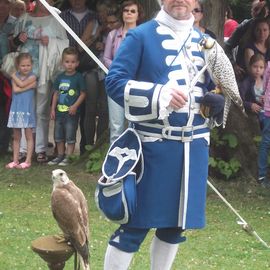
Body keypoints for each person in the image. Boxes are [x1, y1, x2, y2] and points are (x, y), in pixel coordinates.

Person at [103, 0, 224, 269]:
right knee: (134, 227)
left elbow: (215, 89)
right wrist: (159, 94)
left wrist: (215, 101)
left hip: (193, 149)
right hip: (151, 149)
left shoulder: (206, 43)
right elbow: (113, 82)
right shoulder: (140, 36)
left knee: (175, 227)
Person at [12, 0, 69, 162]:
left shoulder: (56, 20)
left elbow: (65, 44)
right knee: (25, 108)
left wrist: (50, 42)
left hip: (44, 70)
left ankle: (41, 148)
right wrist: (19, 39)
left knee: (41, 110)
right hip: (24, 71)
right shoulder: (23, 18)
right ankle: (23, 149)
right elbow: (13, 43)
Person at [103, 0, 144, 144]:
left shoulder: (143, 35)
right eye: (126, 10)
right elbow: (106, 58)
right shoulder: (113, 35)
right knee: (116, 126)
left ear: (138, 15)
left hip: (137, 85)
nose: (129, 13)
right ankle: (114, 164)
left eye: (133, 11)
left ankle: (135, 161)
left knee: (136, 125)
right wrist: (119, 68)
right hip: (116, 83)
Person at [48, 47, 86, 166]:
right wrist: (53, 108)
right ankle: (60, 155)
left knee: (70, 134)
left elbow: (83, 93)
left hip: (71, 113)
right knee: (58, 135)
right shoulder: (59, 77)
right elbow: (56, 93)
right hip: (59, 112)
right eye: (67, 62)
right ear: (62, 62)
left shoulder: (78, 77)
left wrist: (75, 106)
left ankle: (68, 157)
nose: (70, 65)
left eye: (73, 62)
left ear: (77, 63)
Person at [224, 0, 269, 81]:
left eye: (262, 9)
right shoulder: (244, 26)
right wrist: (234, 65)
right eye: (256, 9)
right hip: (244, 78)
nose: (259, 12)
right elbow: (227, 47)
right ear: (251, 11)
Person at [6, 52, 36, 169]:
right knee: (16, 136)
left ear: (32, 65)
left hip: (27, 109)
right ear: (18, 66)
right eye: (23, 65)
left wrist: (12, 75)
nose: (26, 68)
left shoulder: (32, 76)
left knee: (28, 135)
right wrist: (30, 86)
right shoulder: (17, 77)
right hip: (16, 109)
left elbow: (21, 84)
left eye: (28, 65)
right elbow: (16, 90)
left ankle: (28, 160)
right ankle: (15, 160)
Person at [0, 0, 16, 155]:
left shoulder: (14, 24)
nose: (2, 7)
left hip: (8, 75)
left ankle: (3, 146)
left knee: (6, 111)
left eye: (5, 3)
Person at [239, 53, 265, 129]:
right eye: (255, 66)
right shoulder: (246, 83)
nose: (258, 70)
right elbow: (239, 100)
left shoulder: (266, 81)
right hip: (257, 112)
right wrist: (250, 105)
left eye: (261, 67)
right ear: (250, 66)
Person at [257, 57, 270, 187]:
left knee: (266, 142)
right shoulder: (268, 67)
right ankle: (262, 176)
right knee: (266, 142)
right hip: (268, 111)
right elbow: (265, 86)